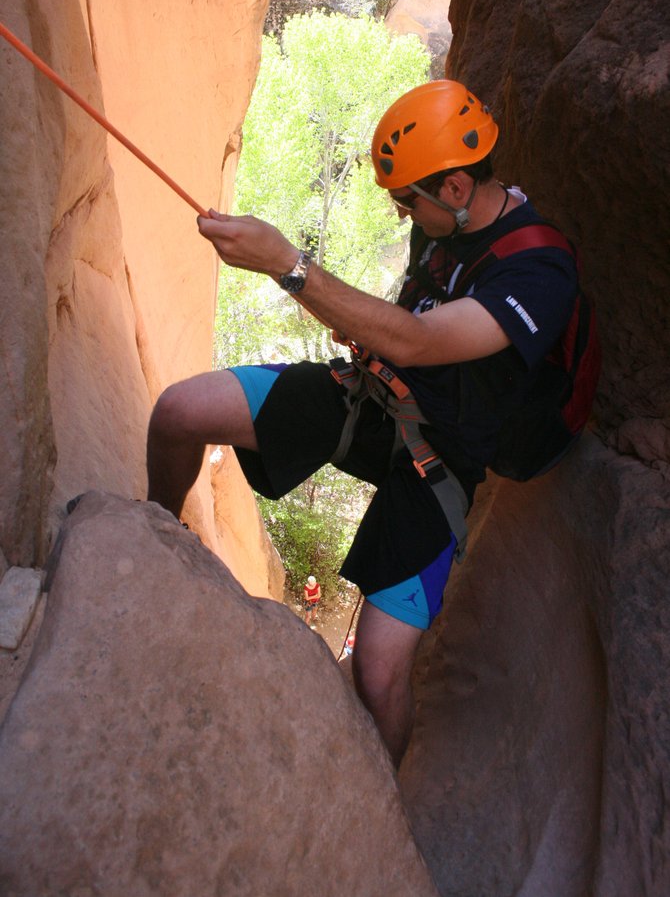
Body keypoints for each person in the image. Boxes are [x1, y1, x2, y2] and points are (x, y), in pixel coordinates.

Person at [146, 80, 577, 767]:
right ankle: (151, 546)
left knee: (378, 671)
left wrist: (287, 265)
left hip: (444, 459)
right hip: (375, 399)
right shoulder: (440, 225)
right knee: (179, 413)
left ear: (458, 188)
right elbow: (404, 330)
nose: (402, 211)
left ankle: (383, 811)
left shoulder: (540, 272)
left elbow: (421, 341)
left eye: (409, 200)